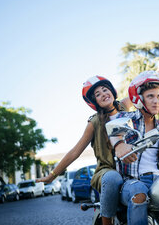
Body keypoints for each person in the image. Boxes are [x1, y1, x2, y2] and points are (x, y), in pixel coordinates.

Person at [36, 76, 132, 225]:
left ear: (113, 91)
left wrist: (156, 73)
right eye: (98, 94)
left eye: (105, 90)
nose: (103, 94)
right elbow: (75, 151)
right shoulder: (94, 122)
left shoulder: (124, 107)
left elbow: (140, 91)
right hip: (108, 170)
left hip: (132, 167)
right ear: (94, 102)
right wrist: (52, 175)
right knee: (112, 178)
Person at [110, 71, 159, 225]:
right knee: (138, 192)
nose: (156, 101)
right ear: (139, 99)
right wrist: (119, 145)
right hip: (133, 181)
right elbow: (114, 132)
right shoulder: (126, 119)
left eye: (158, 96)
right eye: (150, 96)